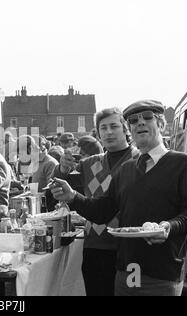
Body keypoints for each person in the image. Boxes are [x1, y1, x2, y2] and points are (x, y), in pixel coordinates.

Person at [51, 100, 187, 296]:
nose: (140, 122)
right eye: (133, 120)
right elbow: (102, 211)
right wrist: (73, 197)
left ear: (161, 124)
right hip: (126, 270)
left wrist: (169, 226)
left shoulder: (183, 163)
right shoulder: (127, 169)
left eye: (148, 117)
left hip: (161, 272)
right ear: (130, 130)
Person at [52, 107, 138, 296]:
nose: (108, 132)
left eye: (114, 126)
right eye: (103, 128)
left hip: (130, 247)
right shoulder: (88, 163)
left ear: (126, 129)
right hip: (95, 246)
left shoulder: (139, 160)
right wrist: (62, 169)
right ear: (98, 133)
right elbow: (59, 186)